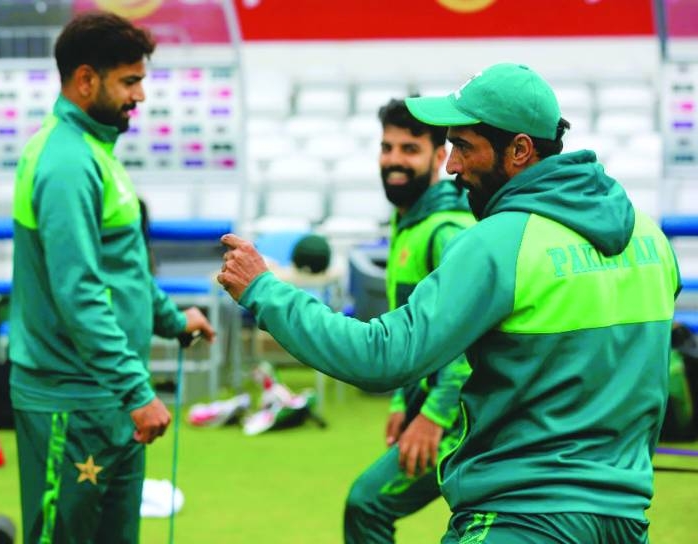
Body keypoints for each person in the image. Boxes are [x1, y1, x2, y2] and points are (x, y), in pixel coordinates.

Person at [218, 63, 680, 543]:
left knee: (366, 504)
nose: (453, 166)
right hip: (625, 519)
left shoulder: (496, 242)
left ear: (519, 150)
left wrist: (264, 290)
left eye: (463, 146)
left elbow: (380, 355)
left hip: (521, 517)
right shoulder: (651, 237)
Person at [8, 11, 215, 544]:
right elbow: (78, 292)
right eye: (130, 81)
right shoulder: (66, 163)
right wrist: (136, 389)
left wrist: (171, 319)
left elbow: (123, 270)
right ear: (85, 80)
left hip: (109, 397)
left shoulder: (94, 153)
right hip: (73, 403)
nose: (140, 96)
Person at [343, 99, 474, 544]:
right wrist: (403, 403)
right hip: (427, 404)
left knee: (367, 503)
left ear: (439, 156)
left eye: (409, 149)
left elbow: (466, 335)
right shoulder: (410, 222)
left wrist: (434, 416)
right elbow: (408, 328)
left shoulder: (448, 231)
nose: (394, 160)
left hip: (460, 419)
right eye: (387, 147)